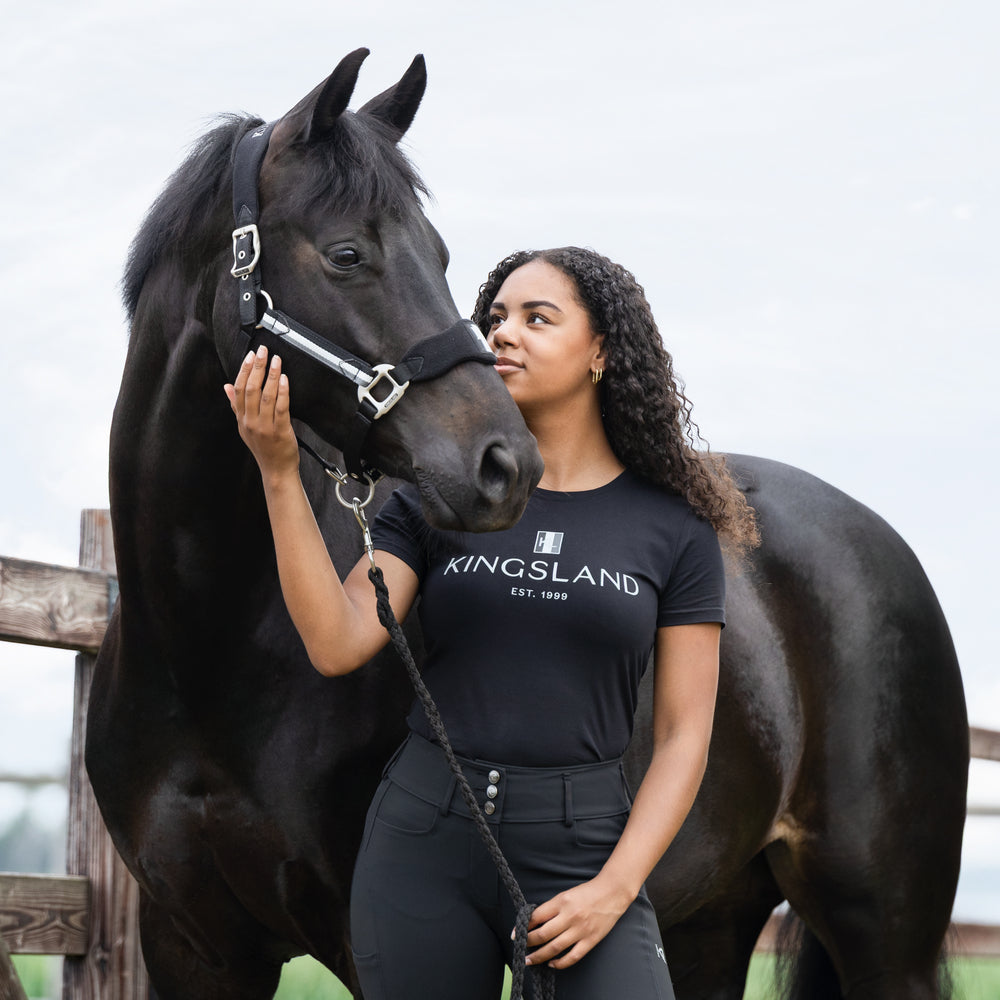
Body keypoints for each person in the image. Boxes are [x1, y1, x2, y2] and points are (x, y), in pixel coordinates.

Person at [224, 246, 758, 1000]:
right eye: (497, 318)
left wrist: (615, 888)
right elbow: (338, 641)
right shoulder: (435, 502)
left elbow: (682, 738)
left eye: (538, 318)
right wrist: (280, 473)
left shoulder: (674, 530)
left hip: (582, 846)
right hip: (423, 840)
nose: (505, 333)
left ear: (601, 349)